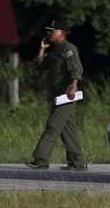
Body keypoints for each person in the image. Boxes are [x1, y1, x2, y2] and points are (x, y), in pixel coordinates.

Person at [25, 21, 86, 171]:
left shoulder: (68, 49)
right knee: (68, 129)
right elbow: (40, 65)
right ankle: (77, 162)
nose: (49, 33)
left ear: (62, 33)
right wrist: (42, 49)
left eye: (53, 31)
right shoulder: (55, 50)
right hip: (58, 95)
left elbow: (76, 69)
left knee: (53, 125)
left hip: (67, 95)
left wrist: (73, 85)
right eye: (48, 31)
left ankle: (40, 160)